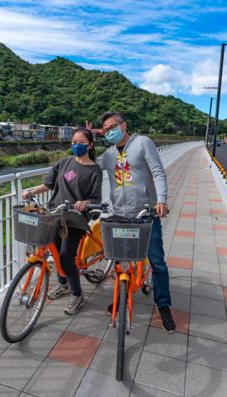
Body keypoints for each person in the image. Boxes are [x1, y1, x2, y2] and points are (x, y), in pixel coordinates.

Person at [96, 111, 176, 332]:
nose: (109, 131)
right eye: (105, 129)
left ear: (124, 125)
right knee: (122, 261)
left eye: (112, 126)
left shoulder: (142, 143)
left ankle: (164, 305)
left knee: (157, 262)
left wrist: (161, 200)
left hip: (145, 213)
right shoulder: (109, 154)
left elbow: (158, 172)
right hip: (120, 214)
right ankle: (122, 297)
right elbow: (89, 164)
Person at [21, 128, 103, 315]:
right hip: (55, 214)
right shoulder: (64, 162)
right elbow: (48, 184)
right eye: (74, 141)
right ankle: (63, 283)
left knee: (66, 256)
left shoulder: (95, 171)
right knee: (55, 253)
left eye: (81, 142)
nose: (76, 145)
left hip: (75, 219)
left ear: (90, 145)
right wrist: (32, 191)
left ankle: (77, 295)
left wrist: (86, 202)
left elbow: (96, 198)